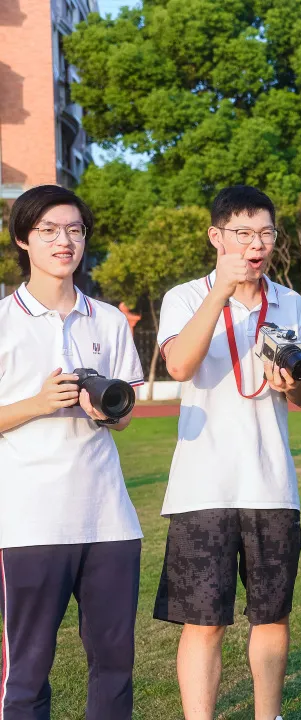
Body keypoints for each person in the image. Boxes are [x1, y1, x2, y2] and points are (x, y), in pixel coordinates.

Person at [153, 185, 301, 720]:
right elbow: (179, 365)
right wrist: (220, 292)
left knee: (272, 616)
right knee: (204, 623)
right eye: (243, 234)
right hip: (203, 485)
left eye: (266, 233)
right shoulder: (184, 297)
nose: (256, 245)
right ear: (216, 236)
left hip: (271, 483)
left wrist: (291, 382)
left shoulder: (290, 302)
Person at [0, 185, 145, 720]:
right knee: (28, 671)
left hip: (109, 520)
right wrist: (38, 403)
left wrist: (104, 411)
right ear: (23, 239)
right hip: (29, 524)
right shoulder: (3, 320)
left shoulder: (107, 319)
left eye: (75, 230)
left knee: (115, 667)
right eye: (49, 230)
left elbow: (124, 415)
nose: (65, 241)